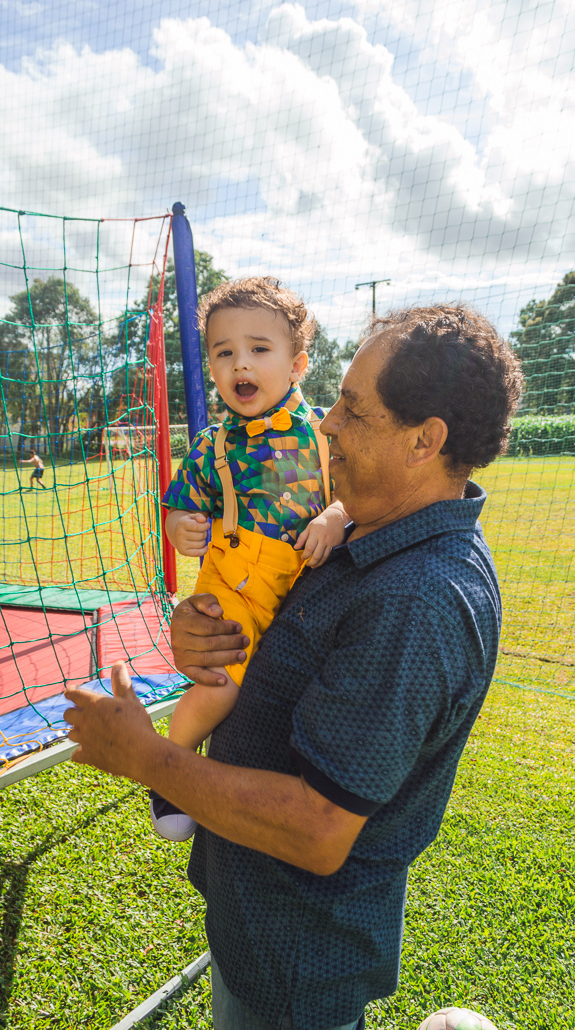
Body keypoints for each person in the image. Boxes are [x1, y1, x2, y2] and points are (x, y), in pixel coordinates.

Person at [64, 304, 523, 1030]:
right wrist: (201, 637)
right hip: (260, 927)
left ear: (425, 441)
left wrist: (147, 758)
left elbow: (318, 829)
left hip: (293, 960)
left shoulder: (417, 601)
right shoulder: (367, 532)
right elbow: (277, 639)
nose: (329, 423)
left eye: (353, 409)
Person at [155, 278, 350, 841]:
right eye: (224, 353)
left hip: (306, 584)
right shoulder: (211, 444)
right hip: (234, 581)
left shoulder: (326, 433)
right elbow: (179, 505)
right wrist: (180, 527)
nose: (240, 363)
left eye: (259, 349)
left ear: (297, 364)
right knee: (220, 682)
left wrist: (335, 516)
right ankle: (171, 769)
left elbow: (355, 499)